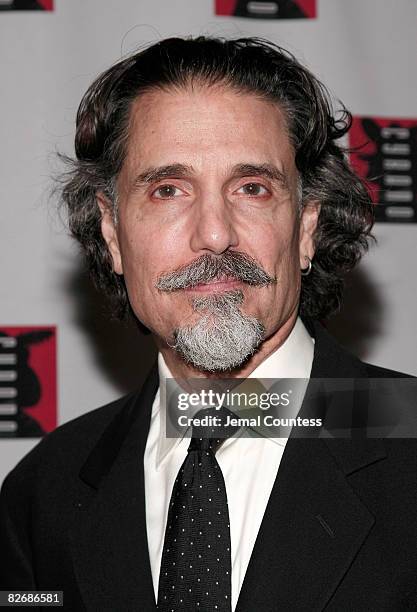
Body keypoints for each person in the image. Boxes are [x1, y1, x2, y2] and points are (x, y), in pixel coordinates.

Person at [0, 36, 416, 611]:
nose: (215, 233)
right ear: (113, 235)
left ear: (305, 228)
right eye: (168, 190)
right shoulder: (44, 493)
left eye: (252, 188)